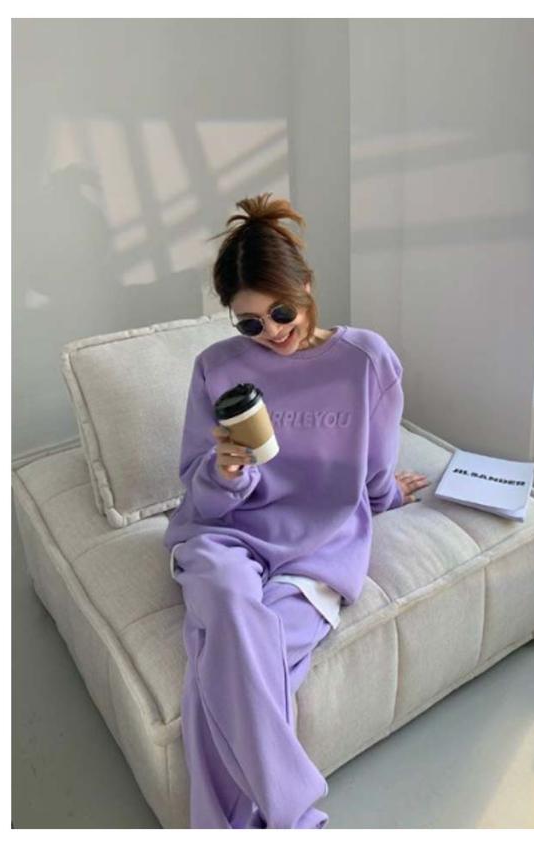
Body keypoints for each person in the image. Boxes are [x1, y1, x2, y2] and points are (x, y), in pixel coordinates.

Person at [164, 192, 430, 829]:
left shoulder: (366, 360)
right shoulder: (216, 367)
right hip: (224, 534)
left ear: (306, 286)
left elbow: (374, 472)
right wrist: (225, 472)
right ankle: (293, 819)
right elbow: (195, 484)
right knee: (227, 607)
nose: (272, 331)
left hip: (317, 548)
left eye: (280, 310)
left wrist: (389, 496)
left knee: (228, 663)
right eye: (250, 323)